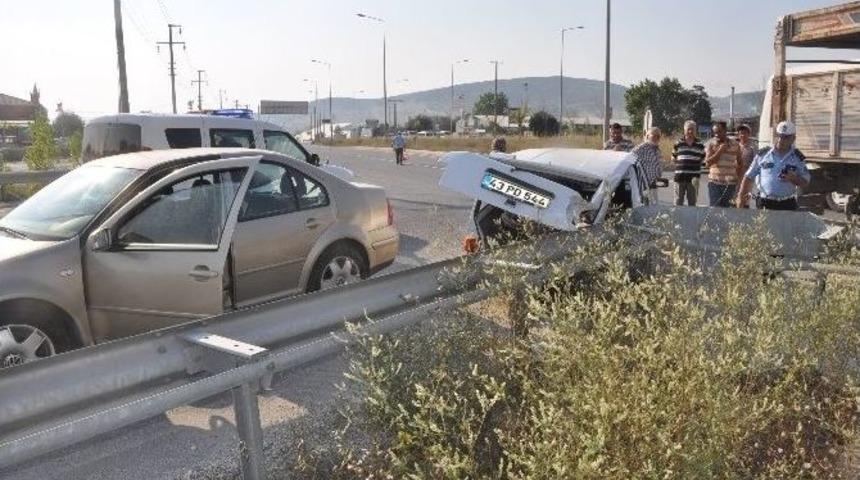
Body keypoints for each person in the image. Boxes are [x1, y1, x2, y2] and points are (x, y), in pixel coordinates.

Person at [735, 120, 809, 211]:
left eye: (786, 137)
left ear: (793, 138)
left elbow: (805, 181)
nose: (781, 140)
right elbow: (748, 177)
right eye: (779, 136)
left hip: (787, 203)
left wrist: (793, 178)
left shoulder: (797, 158)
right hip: (765, 202)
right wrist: (740, 197)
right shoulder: (763, 154)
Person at [704, 121, 743, 207]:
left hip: (730, 184)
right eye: (715, 132)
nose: (716, 135)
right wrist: (720, 151)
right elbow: (707, 163)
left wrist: (738, 179)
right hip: (715, 183)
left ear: (725, 131)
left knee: (727, 211)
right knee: (715, 210)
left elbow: (740, 163)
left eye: (719, 132)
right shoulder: (711, 144)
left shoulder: (735, 144)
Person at [671, 120, 706, 206]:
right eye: (688, 129)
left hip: (693, 179)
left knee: (692, 202)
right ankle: (677, 219)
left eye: (692, 129)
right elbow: (673, 158)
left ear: (695, 130)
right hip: (680, 178)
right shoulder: (678, 143)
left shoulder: (700, 144)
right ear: (684, 130)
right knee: (678, 202)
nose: (690, 131)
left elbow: (702, 158)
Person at [630, 127, 664, 204]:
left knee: (654, 205)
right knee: (645, 206)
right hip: (644, 184)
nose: (656, 138)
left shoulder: (657, 148)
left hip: (654, 183)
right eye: (654, 135)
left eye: (658, 136)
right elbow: (631, 157)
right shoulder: (642, 147)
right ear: (648, 136)